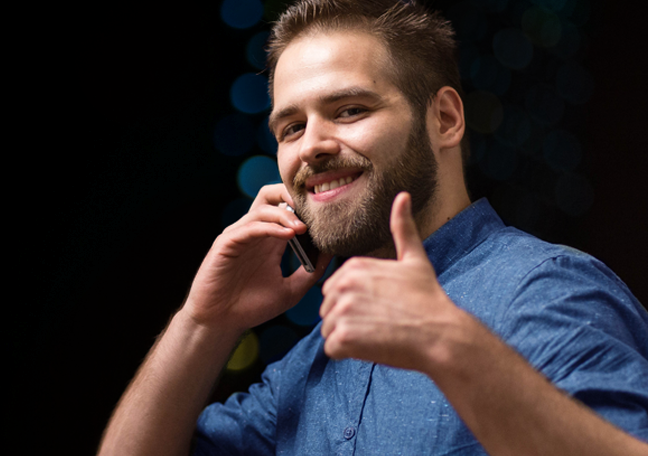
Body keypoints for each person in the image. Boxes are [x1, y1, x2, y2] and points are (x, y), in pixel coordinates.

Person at [98, 1, 648, 454]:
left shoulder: (543, 292)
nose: (310, 145)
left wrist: (453, 349)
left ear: (446, 119)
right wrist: (204, 322)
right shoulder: (311, 364)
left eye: (349, 110)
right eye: (291, 126)